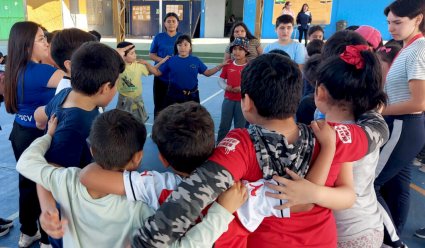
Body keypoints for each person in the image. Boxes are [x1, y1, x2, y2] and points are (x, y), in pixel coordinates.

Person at [131, 53, 389, 248]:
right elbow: (377, 130)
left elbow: (193, 195)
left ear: (247, 102)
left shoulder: (240, 144)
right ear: (296, 95)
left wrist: (146, 240)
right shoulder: (331, 136)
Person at [17, 109, 247, 248]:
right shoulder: (145, 205)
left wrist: (47, 136)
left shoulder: (68, 180)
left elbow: (29, 164)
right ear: (138, 157)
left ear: (93, 151)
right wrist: (222, 212)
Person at [3, 21, 64, 248]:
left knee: (28, 183)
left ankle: (28, 232)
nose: (46, 43)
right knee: (47, 185)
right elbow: (80, 81)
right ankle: (48, 239)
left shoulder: (14, 68)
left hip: (20, 132)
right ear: (27, 46)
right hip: (41, 135)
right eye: (41, 39)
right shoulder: (43, 72)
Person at [374, 1, 425, 247]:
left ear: (417, 19)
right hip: (403, 125)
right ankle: (393, 233)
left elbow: (418, 102)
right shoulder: (407, 47)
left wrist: (379, 110)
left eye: (397, 22)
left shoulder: (418, 49)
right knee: (397, 184)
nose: (391, 28)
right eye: (389, 23)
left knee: (369, 183)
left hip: (404, 125)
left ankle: (393, 241)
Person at [149, 34, 224, 107]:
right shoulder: (171, 60)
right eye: (180, 45)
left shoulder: (195, 60)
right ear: (176, 47)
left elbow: (208, 73)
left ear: (190, 47)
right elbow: (157, 73)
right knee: (175, 119)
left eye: (185, 45)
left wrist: (219, 67)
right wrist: (146, 64)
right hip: (174, 97)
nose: (182, 47)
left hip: (192, 97)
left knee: (192, 119)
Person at [115, 41, 167, 123]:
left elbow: (152, 71)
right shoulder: (117, 67)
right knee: (123, 123)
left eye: (134, 52)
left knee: (138, 123)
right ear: (123, 56)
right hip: (124, 101)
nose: (135, 55)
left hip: (137, 100)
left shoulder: (138, 65)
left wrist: (161, 62)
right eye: (131, 53)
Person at [149, 12, 182, 118]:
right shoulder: (159, 37)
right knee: (159, 105)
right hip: (160, 76)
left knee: (176, 107)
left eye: (173, 21)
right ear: (164, 23)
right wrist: (163, 60)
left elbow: (187, 55)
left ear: (177, 23)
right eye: (168, 21)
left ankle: (173, 131)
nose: (171, 23)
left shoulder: (182, 38)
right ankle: (157, 132)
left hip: (176, 78)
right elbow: (152, 54)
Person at [217, 37, 248, 143]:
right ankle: (219, 147)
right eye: (234, 49)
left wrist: (242, 89)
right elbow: (220, 80)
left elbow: (252, 84)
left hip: (243, 102)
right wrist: (226, 87)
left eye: (240, 49)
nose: (237, 52)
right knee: (224, 126)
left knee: (239, 128)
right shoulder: (228, 64)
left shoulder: (249, 66)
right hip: (228, 100)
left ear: (246, 51)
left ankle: (237, 150)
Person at [48, 28, 98, 95]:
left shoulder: (75, 86)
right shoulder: (72, 94)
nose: (97, 61)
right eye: (90, 58)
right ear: (69, 65)